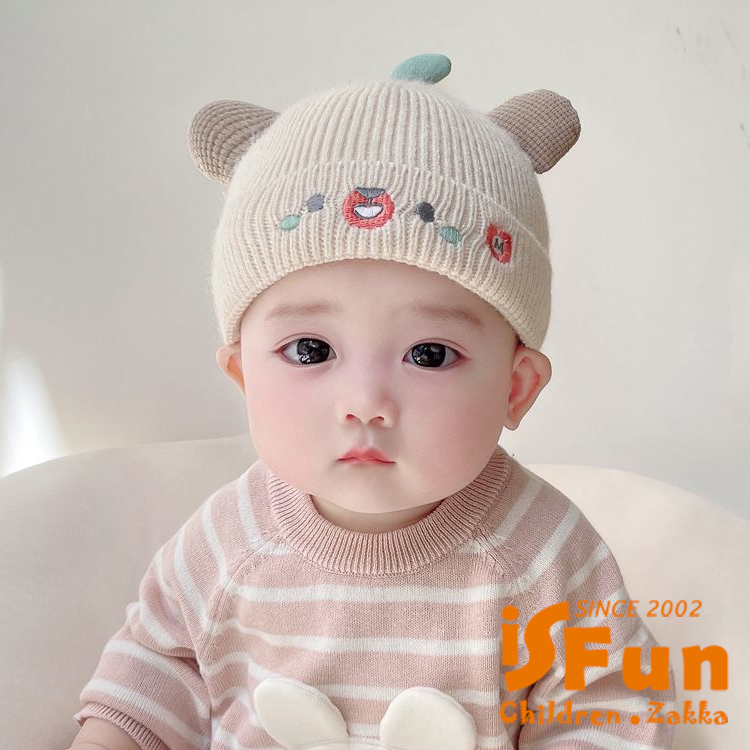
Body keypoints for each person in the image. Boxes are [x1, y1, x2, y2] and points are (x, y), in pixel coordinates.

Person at [67, 53, 676, 750]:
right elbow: (155, 671)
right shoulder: (228, 542)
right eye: (310, 350)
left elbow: (608, 708)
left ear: (516, 387)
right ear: (243, 375)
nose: (365, 403)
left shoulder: (544, 557)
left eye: (429, 354)